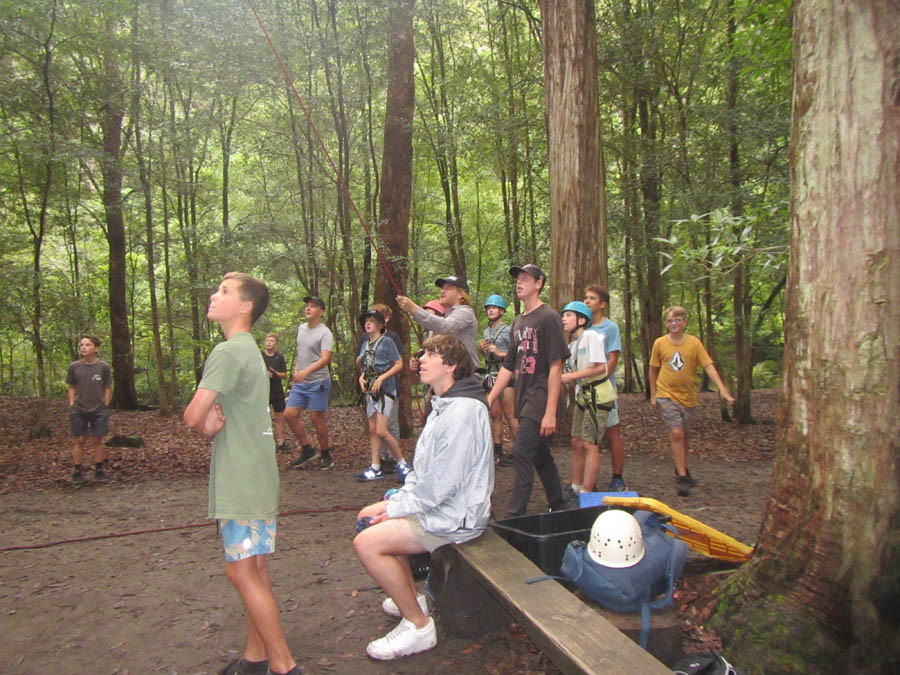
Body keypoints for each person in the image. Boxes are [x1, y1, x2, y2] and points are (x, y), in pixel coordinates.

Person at [183, 272, 300, 675]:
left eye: (225, 292)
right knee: (255, 569)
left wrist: (203, 421)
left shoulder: (229, 351)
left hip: (241, 478)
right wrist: (213, 423)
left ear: (245, 306)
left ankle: (284, 664)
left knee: (240, 572)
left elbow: (193, 415)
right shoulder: (250, 350)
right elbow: (223, 415)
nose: (214, 296)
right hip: (259, 474)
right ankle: (256, 658)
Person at [353, 334, 493, 661]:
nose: (422, 360)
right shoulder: (442, 404)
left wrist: (398, 508)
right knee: (367, 516)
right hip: (439, 505)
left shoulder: (462, 411)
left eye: (431, 354)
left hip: (456, 516)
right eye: (423, 353)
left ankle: (418, 627)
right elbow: (423, 470)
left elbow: (443, 485)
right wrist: (399, 499)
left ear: (451, 366)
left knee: (367, 543)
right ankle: (411, 598)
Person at [487, 264, 569, 516]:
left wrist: (551, 412)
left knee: (522, 452)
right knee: (540, 454)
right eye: (518, 279)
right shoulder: (518, 322)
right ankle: (559, 502)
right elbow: (508, 366)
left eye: (525, 278)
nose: (519, 283)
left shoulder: (549, 317)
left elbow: (556, 366)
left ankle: (515, 514)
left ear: (539, 283)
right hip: (523, 397)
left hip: (541, 396)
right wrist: (489, 399)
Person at [649, 305, 735, 496]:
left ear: (685, 322)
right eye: (670, 320)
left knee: (685, 436)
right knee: (677, 433)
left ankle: (681, 466)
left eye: (678, 320)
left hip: (688, 397)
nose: (674, 324)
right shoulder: (660, 343)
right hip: (666, 394)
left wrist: (722, 389)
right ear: (666, 324)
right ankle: (682, 477)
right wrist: (654, 394)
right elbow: (653, 369)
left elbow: (708, 366)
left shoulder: (694, 343)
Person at [560, 301, 614, 501]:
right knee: (576, 441)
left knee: (590, 443)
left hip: (597, 396)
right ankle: (576, 486)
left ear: (582, 320)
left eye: (568, 315)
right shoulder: (571, 346)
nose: (564, 319)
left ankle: (587, 492)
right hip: (582, 396)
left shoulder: (591, 336)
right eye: (563, 315)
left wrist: (571, 377)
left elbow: (600, 367)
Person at [356, 309, 410, 482]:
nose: (368, 324)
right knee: (373, 430)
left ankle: (402, 463)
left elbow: (398, 364)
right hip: (371, 391)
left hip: (385, 390)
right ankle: (375, 466)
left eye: (372, 321)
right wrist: (362, 377)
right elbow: (366, 365)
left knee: (382, 430)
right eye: (366, 321)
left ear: (380, 325)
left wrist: (382, 378)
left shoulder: (387, 341)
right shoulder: (365, 344)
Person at [583, 284, 629, 491]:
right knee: (585, 437)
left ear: (602, 304)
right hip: (583, 390)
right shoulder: (582, 327)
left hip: (604, 390)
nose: (587, 301)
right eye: (586, 298)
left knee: (612, 433)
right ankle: (587, 482)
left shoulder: (610, 328)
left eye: (592, 298)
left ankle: (618, 477)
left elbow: (613, 359)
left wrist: (599, 380)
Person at [284, 296, 334, 470]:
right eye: (307, 305)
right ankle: (307, 449)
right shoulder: (301, 329)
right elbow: (302, 353)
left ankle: (326, 454)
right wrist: (297, 370)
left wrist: (306, 372)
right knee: (289, 414)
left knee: (316, 418)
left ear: (321, 312)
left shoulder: (325, 333)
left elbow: (325, 359)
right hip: (301, 381)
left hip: (318, 381)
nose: (308, 308)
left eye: (313, 306)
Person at [396, 275, 479, 370]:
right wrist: (421, 358)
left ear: (460, 294)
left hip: (466, 375)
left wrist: (414, 309)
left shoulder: (466, 311)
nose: (442, 291)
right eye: (442, 288)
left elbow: (446, 327)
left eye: (448, 288)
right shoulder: (445, 317)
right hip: (449, 375)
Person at [66, 335, 112, 484]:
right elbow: (71, 386)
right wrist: (72, 403)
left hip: (99, 409)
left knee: (98, 438)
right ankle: (77, 471)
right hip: (79, 408)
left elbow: (107, 387)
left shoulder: (103, 367)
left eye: (87, 345)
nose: (84, 347)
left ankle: (99, 470)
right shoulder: (74, 367)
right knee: (80, 439)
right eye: (82, 345)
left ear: (96, 348)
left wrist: (105, 403)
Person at [479, 294, 517, 465]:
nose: (491, 310)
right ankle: (498, 451)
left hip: (506, 374)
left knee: (510, 414)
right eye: (489, 308)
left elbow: (518, 353)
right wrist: (482, 349)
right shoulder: (486, 332)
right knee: (495, 414)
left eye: (494, 308)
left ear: (501, 311)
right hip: (490, 374)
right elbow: (486, 356)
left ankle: (520, 452)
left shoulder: (508, 330)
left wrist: (500, 353)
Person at [261, 333, 289, 452]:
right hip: (263, 391)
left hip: (277, 391)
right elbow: (253, 372)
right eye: (267, 340)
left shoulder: (279, 357)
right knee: (262, 417)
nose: (269, 342)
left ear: (276, 344)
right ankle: (263, 442)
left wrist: (275, 373)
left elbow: (285, 375)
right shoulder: (260, 356)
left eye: (271, 341)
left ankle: (281, 442)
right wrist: (265, 374)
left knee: (280, 417)